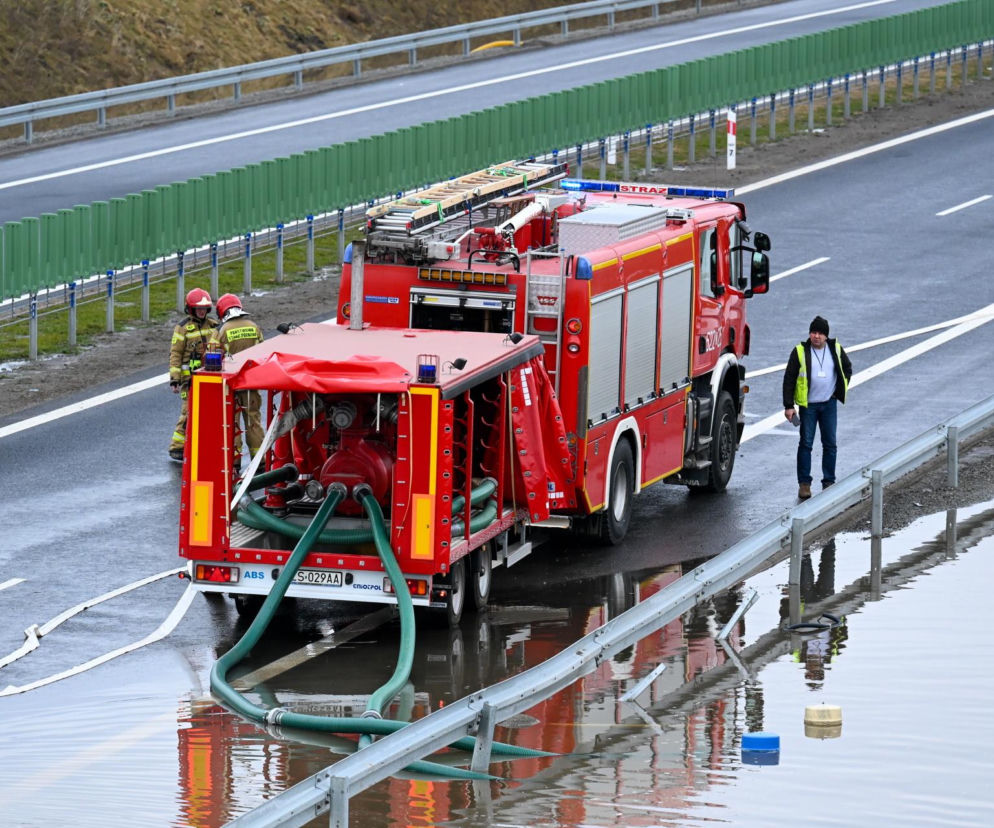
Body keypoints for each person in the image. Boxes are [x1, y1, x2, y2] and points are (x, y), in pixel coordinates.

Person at [782, 315, 853, 500]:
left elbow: (847, 368)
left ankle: (829, 481)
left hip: (829, 404)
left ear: (826, 336)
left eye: (820, 333)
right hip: (809, 407)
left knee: (830, 443)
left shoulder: (835, 349)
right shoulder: (799, 351)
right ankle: (804, 484)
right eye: (813, 332)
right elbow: (789, 378)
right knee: (806, 444)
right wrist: (788, 406)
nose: (816, 336)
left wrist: (838, 390)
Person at [213, 293, 265, 459]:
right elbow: (263, 352)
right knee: (253, 422)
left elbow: (213, 355)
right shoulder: (253, 326)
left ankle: (233, 461)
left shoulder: (223, 330)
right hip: (251, 382)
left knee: (231, 423)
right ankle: (259, 460)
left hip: (231, 384)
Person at [168, 288, 218, 462]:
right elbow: (175, 354)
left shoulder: (213, 326)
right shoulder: (182, 328)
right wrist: (175, 380)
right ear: (191, 309)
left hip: (210, 376)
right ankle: (177, 447)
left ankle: (201, 445)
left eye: (204, 308)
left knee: (209, 412)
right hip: (189, 380)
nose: (202, 311)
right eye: (199, 309)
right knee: (188, 412)